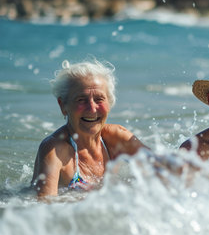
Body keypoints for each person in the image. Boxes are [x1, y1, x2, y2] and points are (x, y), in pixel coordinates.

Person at [31, 59, 147, 198]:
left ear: (109, 102)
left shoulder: (115, 137)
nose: (92, 109)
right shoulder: (55, 150)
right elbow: (43, 207)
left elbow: (162, 169)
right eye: (81, 99)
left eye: (99, 99)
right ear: (63, 105)